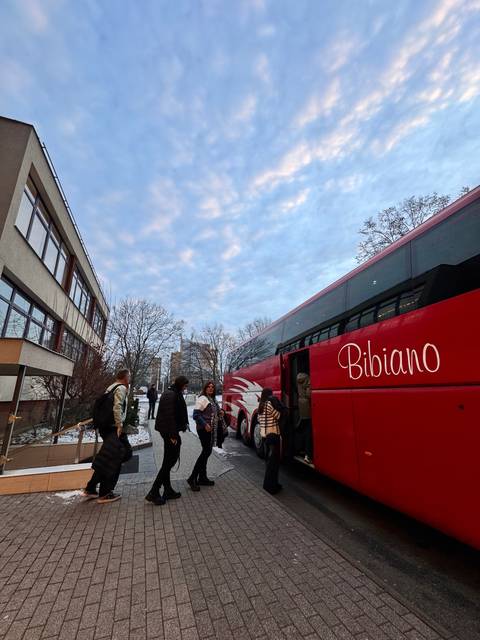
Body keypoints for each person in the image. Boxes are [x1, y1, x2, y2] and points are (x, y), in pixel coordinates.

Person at [83, 368, 131, 504]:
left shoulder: (111, 387)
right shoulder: (121, 388)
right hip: (113, 428)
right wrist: (119, 425)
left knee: (109, 457)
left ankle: (91, 487)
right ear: (125, 377)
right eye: (129, 377)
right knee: (117, 457)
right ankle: (105, 492)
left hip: (106, 427)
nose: (130, 379)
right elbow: (117, 407)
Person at [145, 376, 189, 505]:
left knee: (167, 461)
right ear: (181, 384)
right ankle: (154, 491)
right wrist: (173, 435)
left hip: (168, 431)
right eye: (185, 385)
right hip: (169, 432)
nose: (186, 388)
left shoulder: (172, 392)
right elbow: (169, 416)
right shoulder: (172, 394)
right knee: (169, 462)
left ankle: (168, 490)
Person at [187, 381, 218, 491]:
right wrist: (205, 424)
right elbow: (196, 415)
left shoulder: (211, 399)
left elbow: (213, 412)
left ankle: (202, 478)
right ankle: (192, 478)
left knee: (206, 452)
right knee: (206, 452)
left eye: (212, 387)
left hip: (210, 429)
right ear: (205, 388)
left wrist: (221, 412)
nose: (210, 388)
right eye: (208, 387)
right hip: (203, 429)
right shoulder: (202, 399)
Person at [258, 387, 285, 495]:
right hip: (272, 434)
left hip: (264, 436)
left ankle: (272, 484)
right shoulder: (269, 404)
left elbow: (259, 420)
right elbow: (277, 416)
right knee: (273, 463)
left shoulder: (260, 405)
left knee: (269, 462)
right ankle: (270, 487)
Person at [297, 372, 313, 464]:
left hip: (301, 404)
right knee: (308, 431)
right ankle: (308, 454)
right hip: (307, 405)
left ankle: (300, 448)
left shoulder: (298, 378)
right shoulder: (308, 378)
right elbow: (308, 394)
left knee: (303, 428)